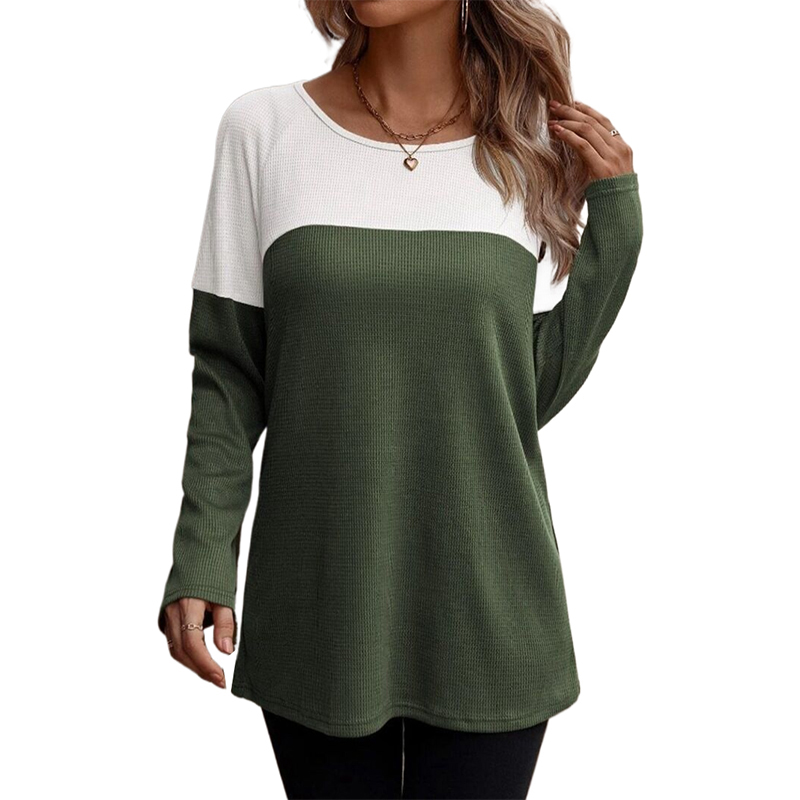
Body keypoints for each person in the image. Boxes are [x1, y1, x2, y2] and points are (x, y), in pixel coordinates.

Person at [156, 1, 643, 797]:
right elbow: (229, 372)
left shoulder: (526, 146)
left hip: (490, 603)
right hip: (320, 601)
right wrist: (203, 550)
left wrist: (616, 227)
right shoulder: (263, 129)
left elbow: (512, 398)